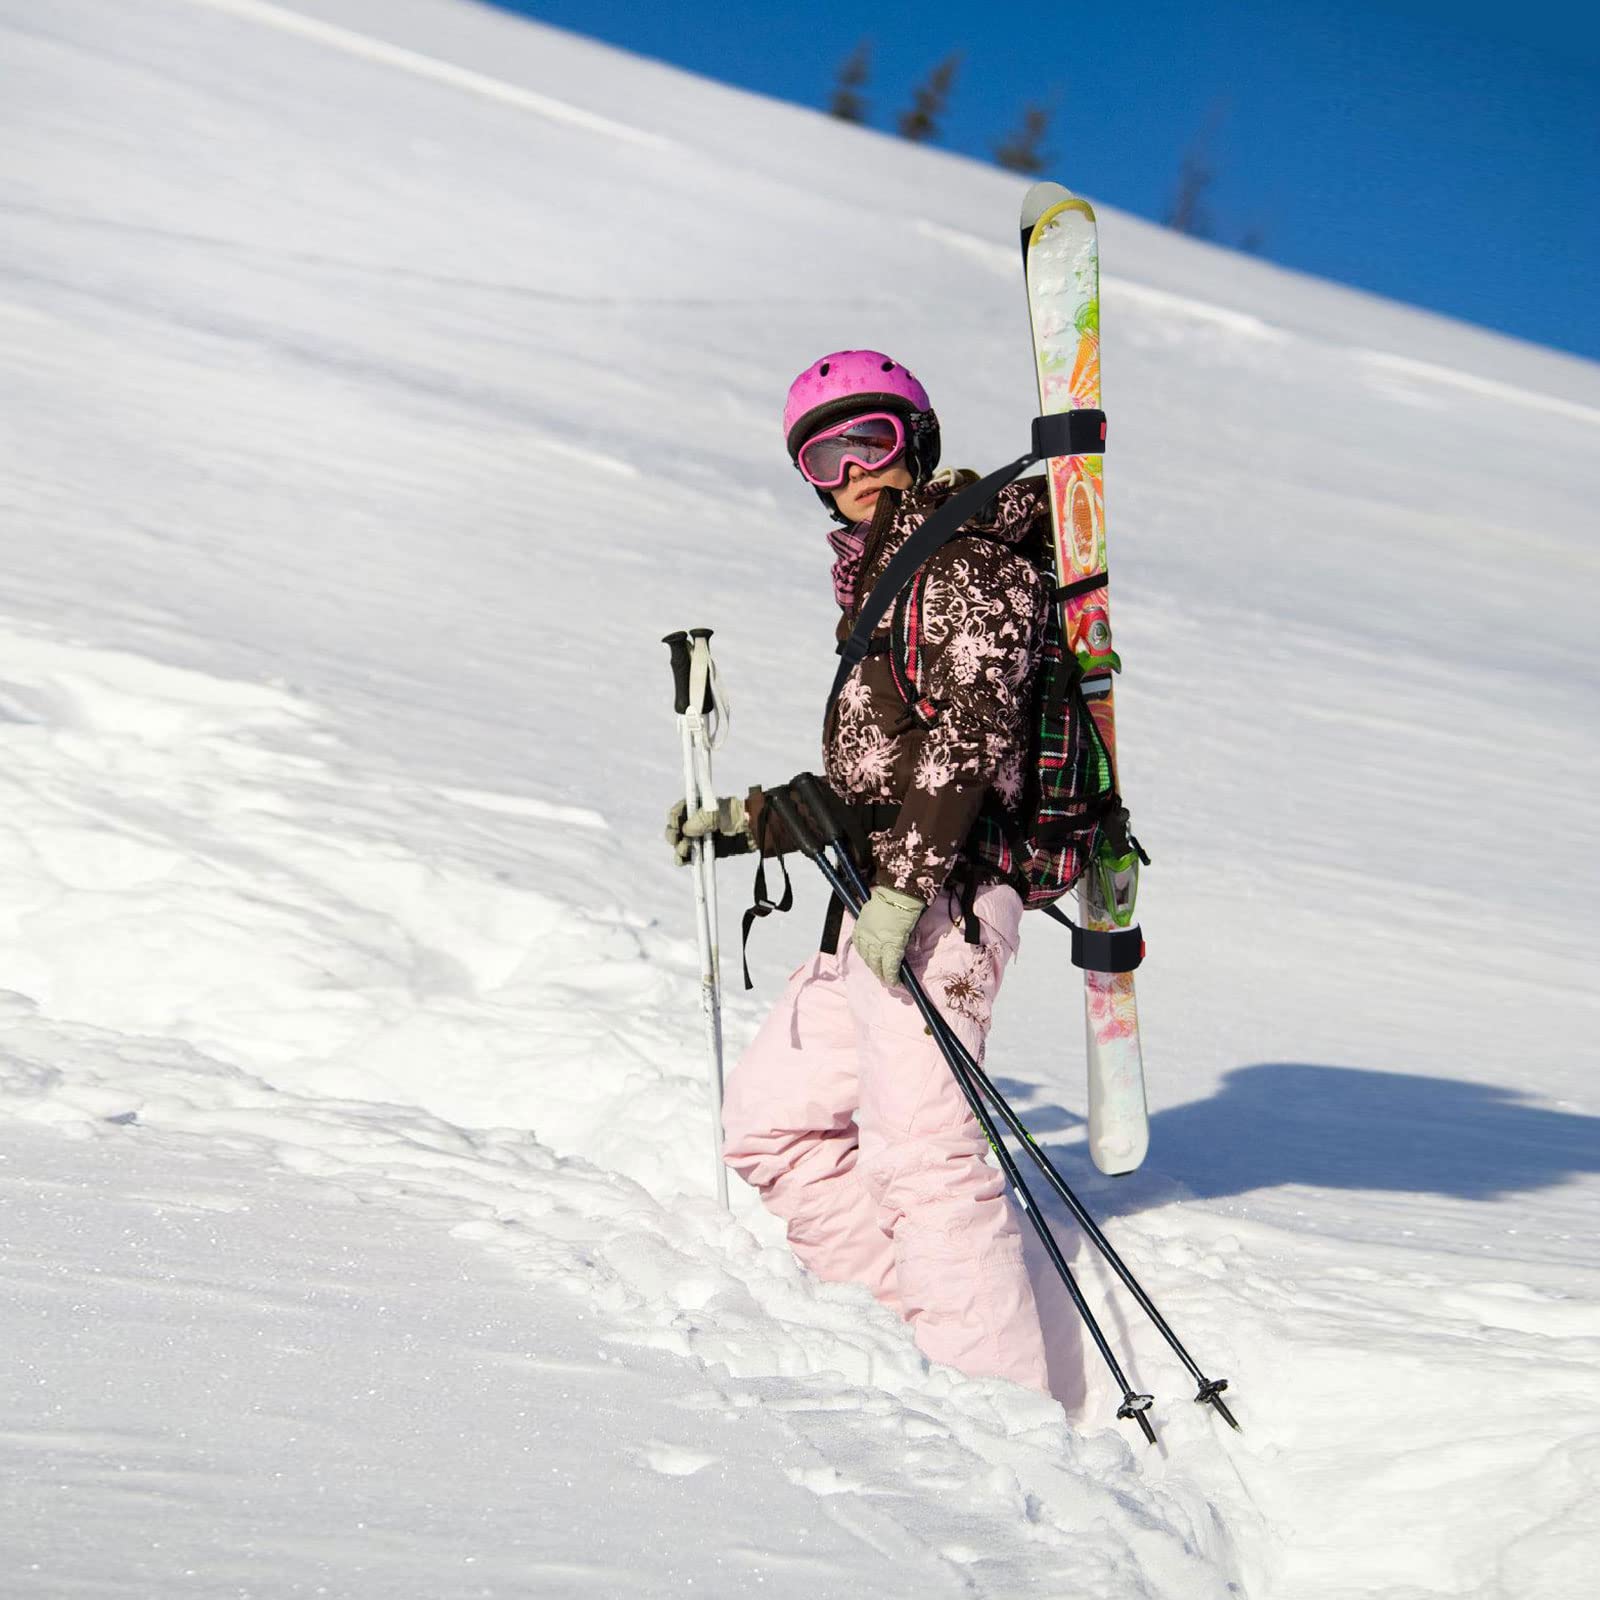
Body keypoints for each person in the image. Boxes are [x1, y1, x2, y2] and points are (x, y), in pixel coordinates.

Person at [667, 351, 1053, 1391]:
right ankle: (910, 1345)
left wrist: (903, 885)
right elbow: (882, 771)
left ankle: (998, 1406)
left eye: (868, 441)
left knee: (925, 1162)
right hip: (874, 908)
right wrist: (749, 822)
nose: (850, 472)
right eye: (822, 459)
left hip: (948, 901)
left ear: (914, 438)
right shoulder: (887, 586)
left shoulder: (969, 561)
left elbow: (969, 737)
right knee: (772, 1124)